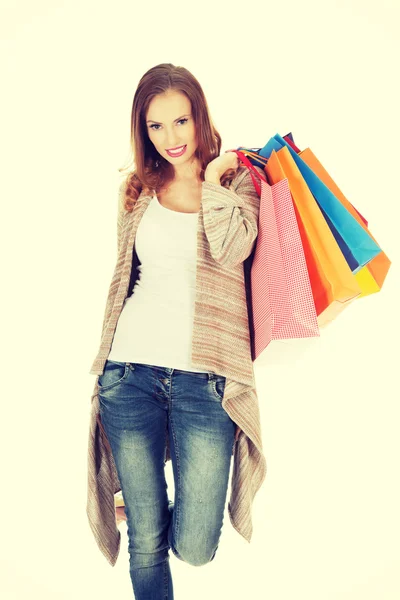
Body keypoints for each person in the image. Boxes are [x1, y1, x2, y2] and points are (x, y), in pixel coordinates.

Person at [86, 63, 267, 600]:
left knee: (194, 545)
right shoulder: (139, 189)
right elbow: (127, 279)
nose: (171, 138)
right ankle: (141, 506)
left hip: (206, 383)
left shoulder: (237, 181)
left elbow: (234, 250)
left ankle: (144, 502)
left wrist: (211, 180)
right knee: (145, 542)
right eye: (156, 127)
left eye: (181, 121)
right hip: (129, 373)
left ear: (200, 115)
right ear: (143, 130)